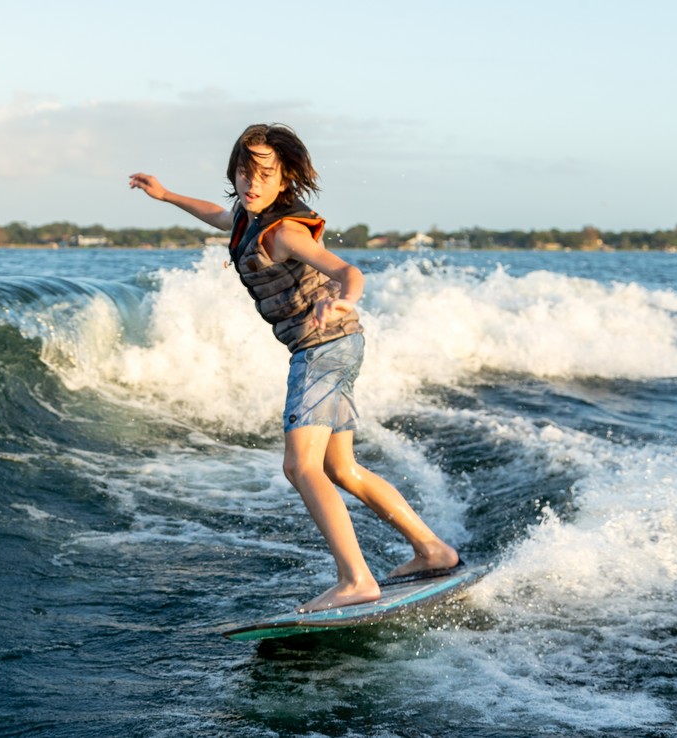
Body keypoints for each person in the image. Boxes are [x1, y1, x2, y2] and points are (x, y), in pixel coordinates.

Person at [129, 123, 458, 613]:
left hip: (322, 347)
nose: (252, 183)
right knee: (340, 468)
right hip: (338, 346)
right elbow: (218, 215)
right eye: (245, 171)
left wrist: (344, 300)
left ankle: (355, 579)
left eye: (265, 174)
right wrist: (166, 195)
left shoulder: (285, 231)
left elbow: (347, 271)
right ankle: (432, 550)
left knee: (300, 466)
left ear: (284, 180)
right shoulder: (246, 217)